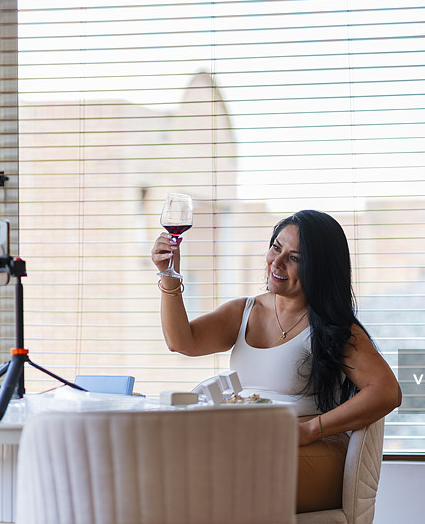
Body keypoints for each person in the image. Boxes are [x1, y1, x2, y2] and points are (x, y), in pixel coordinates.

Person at [151, 209, 401, 513]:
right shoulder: (245, 311)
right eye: (276, 247)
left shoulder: (332, 328)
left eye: (295, 258)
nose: (277, 263)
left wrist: (310, 430)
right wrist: (169, 275)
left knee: (221, 478)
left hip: (309, 451)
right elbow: (182, 341)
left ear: (319, 268)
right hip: (246, 448)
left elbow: (386, 391)